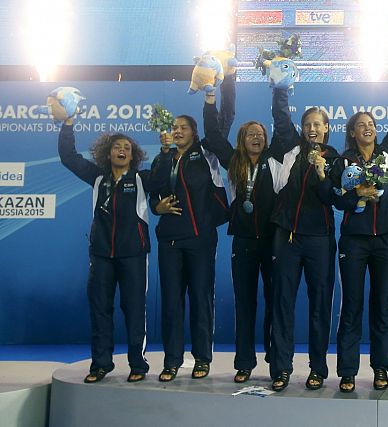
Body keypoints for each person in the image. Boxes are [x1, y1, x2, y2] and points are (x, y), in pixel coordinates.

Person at [332, 64, 388, 392]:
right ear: (352, 132)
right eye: (361, 125)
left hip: (386, 240)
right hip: (354, 241)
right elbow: (336, 200)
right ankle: (348, 370)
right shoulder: (342, 160)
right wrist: (355, 197)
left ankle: (381, 367)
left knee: (383, 306)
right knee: (351, 306)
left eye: (371, 124)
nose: (368, 128)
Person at [59, 121, 156, 384]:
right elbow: (68, 157)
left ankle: (138, 363)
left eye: (127, 147)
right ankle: (101, 364)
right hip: (101, 256)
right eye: (117, 147)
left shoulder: (140, 179)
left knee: (134, 310)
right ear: (108, 153)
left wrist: (168, 148)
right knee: (100, 309)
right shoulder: (97, 177)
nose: (122, 150)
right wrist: (67, 124)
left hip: (134, 255)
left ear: (133, 155)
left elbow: (166, 174)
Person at [200, 76, 280, 383]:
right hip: (244, 244)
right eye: (251, 134)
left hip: (273, 243)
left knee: (275, 303)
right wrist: (214, 95)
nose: (257, 138)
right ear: (242, 139)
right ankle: (244, 362)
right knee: (245, 305)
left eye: (261, 134)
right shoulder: (233, 162)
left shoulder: (275, 161)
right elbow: (211, 133)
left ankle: (276, 359)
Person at [268, 91, 340, 392]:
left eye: (318, 124)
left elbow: (332, 198)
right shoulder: (290, 149)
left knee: (320, 306)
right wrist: (280, 87)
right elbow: (280, 118)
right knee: (282, 303)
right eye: (307, 124)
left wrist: (323, 173)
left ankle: (318, 369)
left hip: (320, 241)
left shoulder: (335, 158)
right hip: (286, 237)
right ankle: (281, 369)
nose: (312, 128)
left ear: (326, 129)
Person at [150, 114, 229, 382]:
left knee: (200, 299)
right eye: (175, 128)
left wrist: (216, 91)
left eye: (184, 128)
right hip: (170, 240)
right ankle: (172, 360)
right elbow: (154, 189)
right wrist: (155, 207)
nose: (178, 131)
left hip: (200, 239)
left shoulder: (207, 153)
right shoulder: (164, 158)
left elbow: (221, 123)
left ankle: (202, 358)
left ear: (194, 133)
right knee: (171, 303)